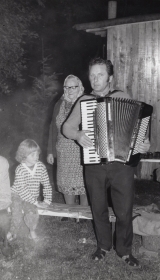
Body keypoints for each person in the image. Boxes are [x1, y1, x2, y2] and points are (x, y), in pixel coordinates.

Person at [62, 58, 151, 266]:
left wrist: (143, 143)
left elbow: (137, 129)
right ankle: (103, 246)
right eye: (92, 75)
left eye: (100, 75)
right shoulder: (84, 100)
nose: (95, 79)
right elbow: (66, 128)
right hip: (94, 163)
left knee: (124, 209)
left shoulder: (122, 97)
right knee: (98, 207)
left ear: (110, 77)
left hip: (121, 165)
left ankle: (125, 250)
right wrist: (77, 134)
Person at [47, 75, 88, 209]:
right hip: (63, 149)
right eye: (67, 87)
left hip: (81, 148)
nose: (70, 90)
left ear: (80, 87)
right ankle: (70, 210)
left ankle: (83, 213)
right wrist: (50, 151)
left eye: (73, 87)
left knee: (84, 181)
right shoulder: (59, 104)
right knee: (66, 180)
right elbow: (53, 127)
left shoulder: (85, 102)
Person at [10, 139, 52, 240]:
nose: (36, 157)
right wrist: (35, 202)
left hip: (31, 196)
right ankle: (13, 231)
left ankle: (32, 232)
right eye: (32, 155)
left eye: (37, 154)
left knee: (32, 212)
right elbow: (22, 189)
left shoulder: (41, 167)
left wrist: (47, 200)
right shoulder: (20, 169)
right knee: (16, 211)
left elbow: (46, 184)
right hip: (17, 194)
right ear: (24, 155)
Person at [0, 156, 13, 257]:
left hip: (2, 198)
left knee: (3, 216)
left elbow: (4, 191)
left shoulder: (2, 162)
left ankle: (5, 241)